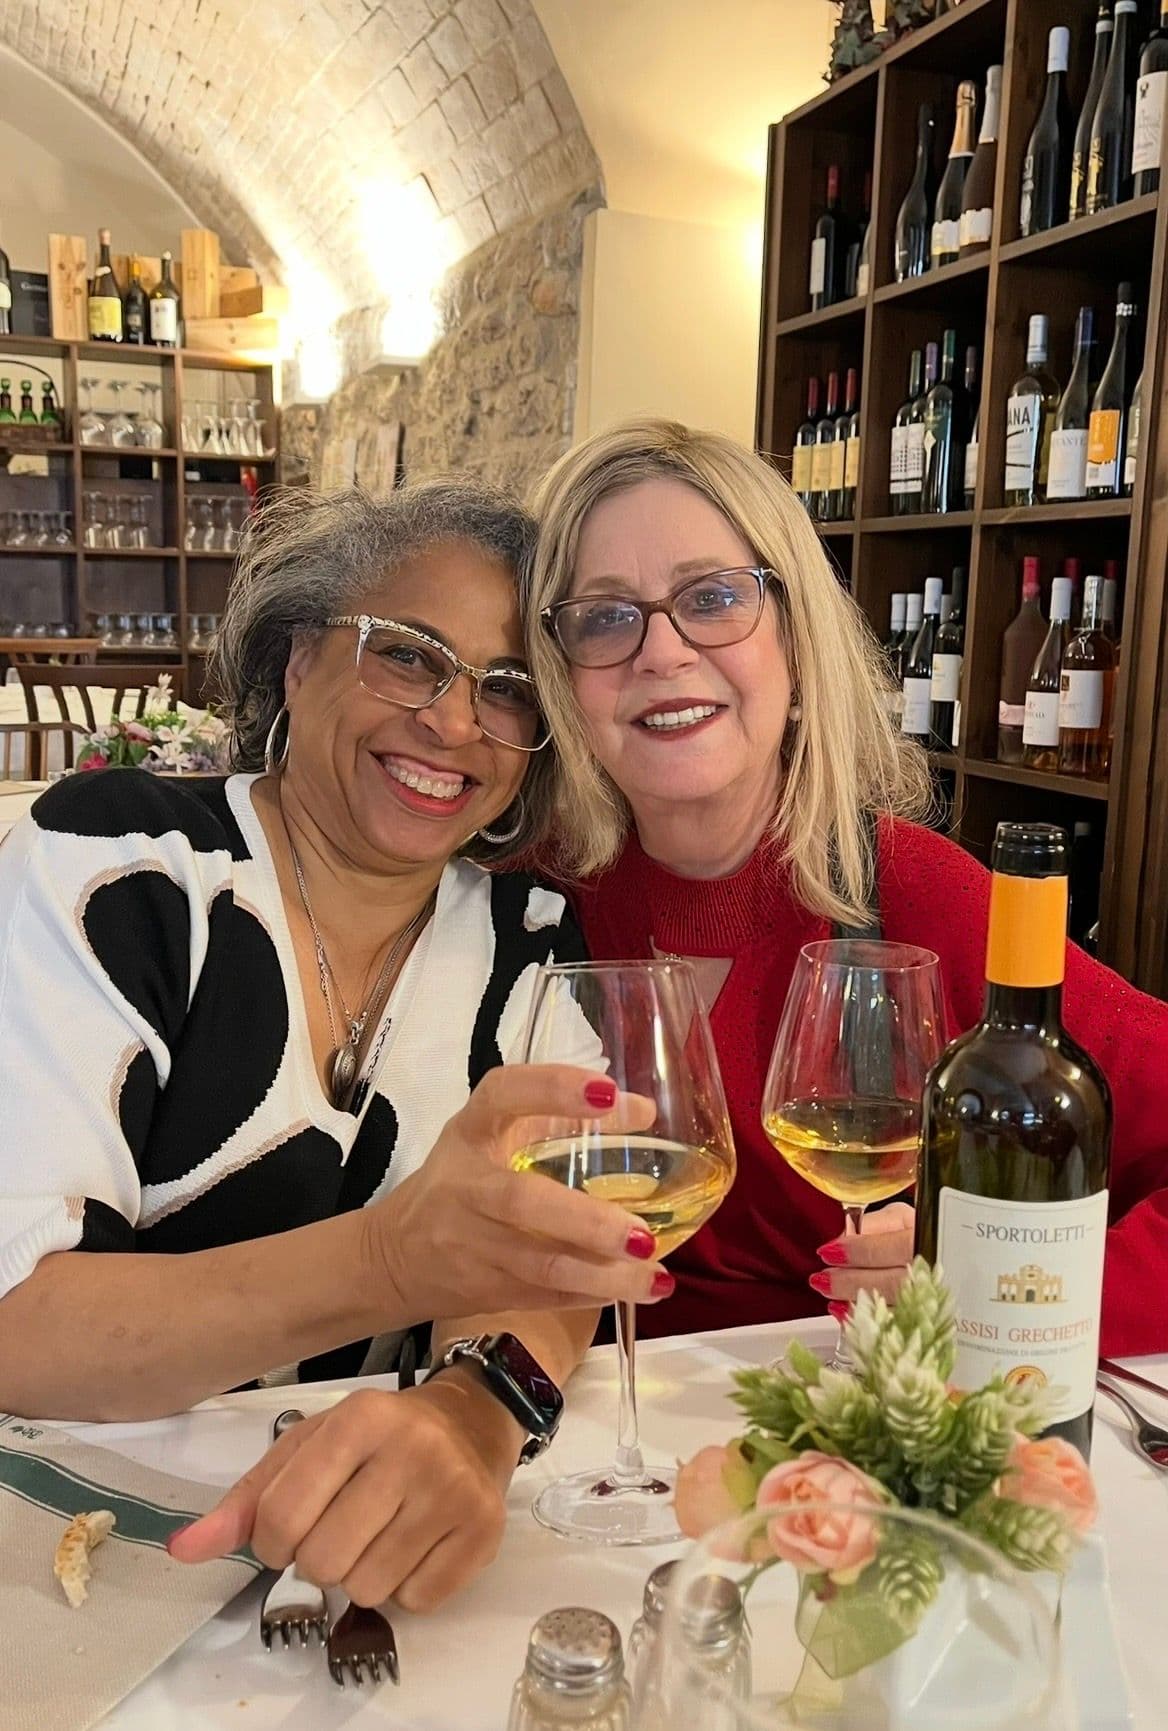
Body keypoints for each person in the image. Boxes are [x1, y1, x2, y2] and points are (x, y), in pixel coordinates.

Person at [0, 482, 675, 1611]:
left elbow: (548, 1269)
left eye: (507, 692)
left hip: (361, 1570)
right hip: (77, 1556)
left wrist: (474, 1411)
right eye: (408, 657)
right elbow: (20, 1327)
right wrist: (389, 1262)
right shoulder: (121, 865)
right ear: (301, 659)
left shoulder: (534, 940)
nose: (454, 722)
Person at [524, 417, 1168, 1360]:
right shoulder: (525, 895)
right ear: (559, 670)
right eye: (606, 617)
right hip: (578, 1443)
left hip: (837, 1432)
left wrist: (991, 1291)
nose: (660, 653)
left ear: (795, 640)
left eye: (712, 597)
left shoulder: (916, 894)